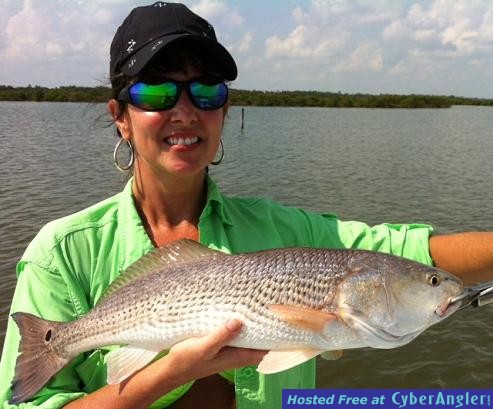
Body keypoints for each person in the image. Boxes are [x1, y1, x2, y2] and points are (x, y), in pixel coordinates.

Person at [0, 2, 492, 408]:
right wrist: (168, 374)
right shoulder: (61, 254)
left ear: (225, 110)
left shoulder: (289, 231)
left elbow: (414, 252)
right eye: (157, 91)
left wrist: (435, 281)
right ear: (120, 117)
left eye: (206, 91)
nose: (184, 111)